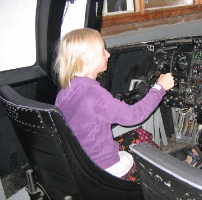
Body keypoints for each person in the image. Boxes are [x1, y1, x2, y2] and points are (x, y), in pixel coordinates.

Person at [53, 28, 174, 181]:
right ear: (86, 58)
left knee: (139, 134)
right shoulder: (93, 93)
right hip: (106, 168)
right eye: (102, 50)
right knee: (154, 161)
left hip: (82, 161)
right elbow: (135, 116)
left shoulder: (66, 90)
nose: (108, 54)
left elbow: (87, 120)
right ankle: (167, 181)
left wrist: (114, 108)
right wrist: (160, 88)